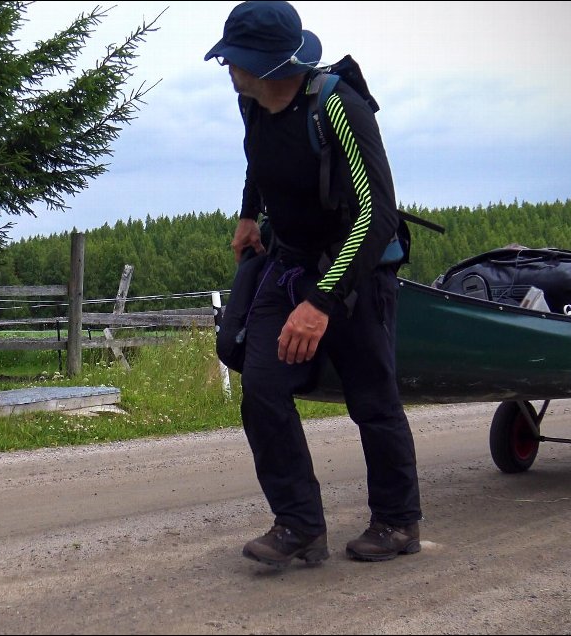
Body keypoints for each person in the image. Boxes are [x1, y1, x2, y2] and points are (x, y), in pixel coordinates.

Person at [205, 0, 423, 566]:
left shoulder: (338, 108)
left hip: (355, 269)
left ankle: (398, 523)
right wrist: (250, 213)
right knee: (262, 386)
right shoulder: (250, 101)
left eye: (238, 59)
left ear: (274, 65)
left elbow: (376, 213)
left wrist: (323, 302)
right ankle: (300, 525)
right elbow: (259, 158)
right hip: (289, 259)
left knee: (373, 401)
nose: (229, 67)